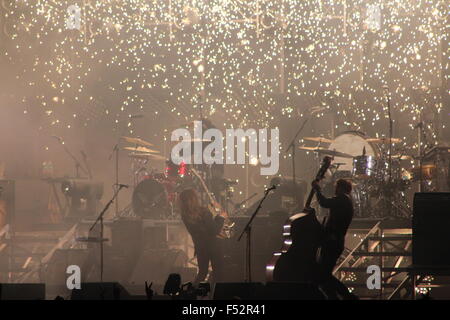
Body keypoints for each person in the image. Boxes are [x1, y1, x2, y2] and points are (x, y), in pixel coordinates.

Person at [312, 178, 357, 300]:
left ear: (341, 188)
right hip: (335, 241)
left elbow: (324, 202)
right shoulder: (345, 200)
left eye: (337, 187)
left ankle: (347, 295)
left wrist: (317, 189)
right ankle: (337, 296)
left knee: (323, 274)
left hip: (333, 242)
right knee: (324, 275)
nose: (335, 189)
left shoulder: (342, 199)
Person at [179, 188, 226, 284]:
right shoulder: (204, 212)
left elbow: (204, 229)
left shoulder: (185, 215)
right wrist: (221, 217)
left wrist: (216, 216)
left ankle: (191, 294)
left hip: (201, 247)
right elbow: (214, 230)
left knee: (202, 273)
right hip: (214, 246)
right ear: (194, 199)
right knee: (218, 274)